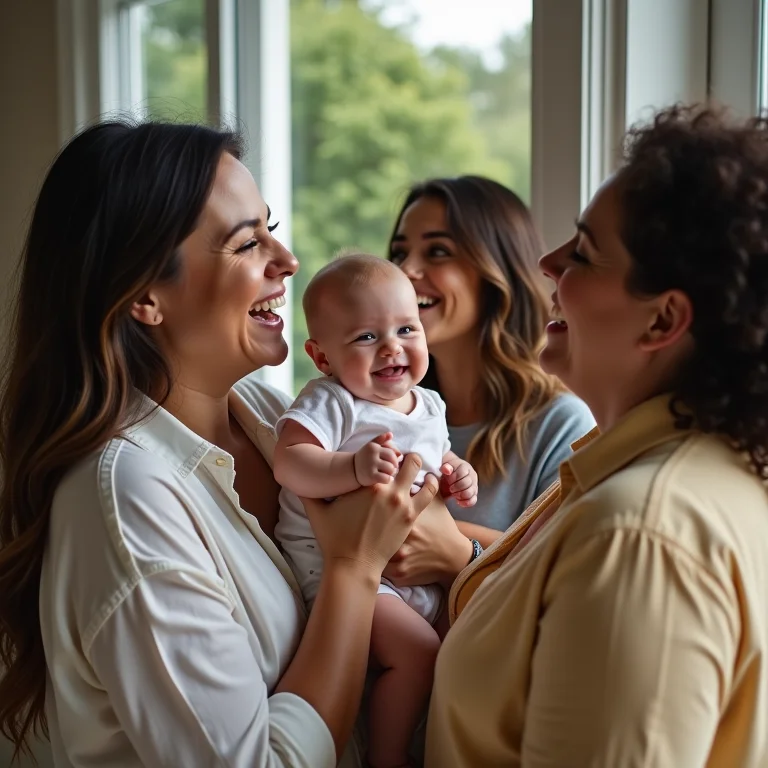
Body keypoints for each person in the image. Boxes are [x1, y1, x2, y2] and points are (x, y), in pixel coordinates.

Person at [0, 120, 474, 767]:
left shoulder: (265, 414)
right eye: (248, 243)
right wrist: (352, 571)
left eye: (271, 228)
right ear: (145, 295)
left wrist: (462, 550)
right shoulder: (128, 501)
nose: (287, 261)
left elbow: (433, 535)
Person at [426, 105, 768, 767]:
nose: (549, 263)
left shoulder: (640, 533)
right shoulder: (653, 477)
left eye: (583, 253)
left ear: (661, 320)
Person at [273, 253, 478, 768]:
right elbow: (290, 462)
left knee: (472, 642)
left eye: (406, 329)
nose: (392, 348)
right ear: (322, 358)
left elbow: (434, 455)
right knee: (418, 654)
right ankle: (387, 759)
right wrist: (352, 468)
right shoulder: (332, 402)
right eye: (366, 337)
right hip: (341, 571)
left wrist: (456, 471)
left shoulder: (428, 405)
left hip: (412, 570)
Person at [388, 176, 595, 547]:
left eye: (437, 252)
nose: (405, 272)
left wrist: (455, 548)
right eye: (399, 253)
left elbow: (565, 571)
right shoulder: (385, 409)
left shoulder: (561, 425)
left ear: (497, 272)